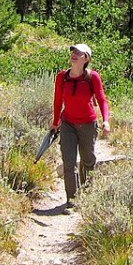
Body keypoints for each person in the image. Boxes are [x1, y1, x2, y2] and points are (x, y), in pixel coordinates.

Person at [51, 42, 111, 211]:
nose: (74, 54)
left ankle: (88, 195)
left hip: (88, 124)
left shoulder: (92, 77)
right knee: (69, 163)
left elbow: (102, 100)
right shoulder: (62, 77)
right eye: (73, 51)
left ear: (86, 58)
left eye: (78, 52)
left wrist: (106, 120)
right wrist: (56, 122)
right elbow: (57, 102)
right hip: (68, 123)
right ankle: (73, 200)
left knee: (88, 160)